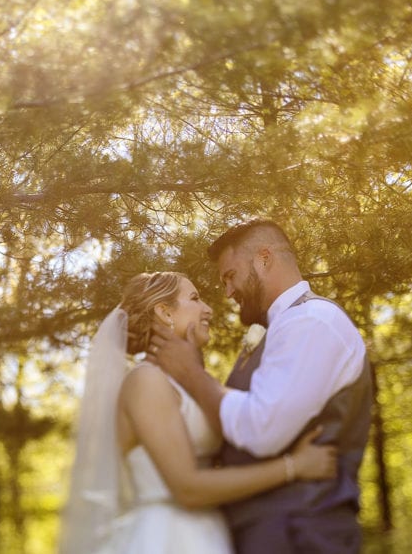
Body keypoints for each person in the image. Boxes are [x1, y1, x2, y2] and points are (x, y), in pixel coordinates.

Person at [59, 271, 338, 554]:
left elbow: (249, 426)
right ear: (165, 312)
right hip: (165, 538)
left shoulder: (188, 383)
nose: (208, 309)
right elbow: (188, 489)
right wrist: (294, 466)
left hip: (206, 532)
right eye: (195, 299)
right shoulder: (146, 381)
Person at [149, 220, 372, 553]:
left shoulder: (312, 321)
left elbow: (261, 429)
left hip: (302, 535)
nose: (227, 291)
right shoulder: (282, 329)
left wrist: (190, 373)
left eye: (230, 276)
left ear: (264, 259)